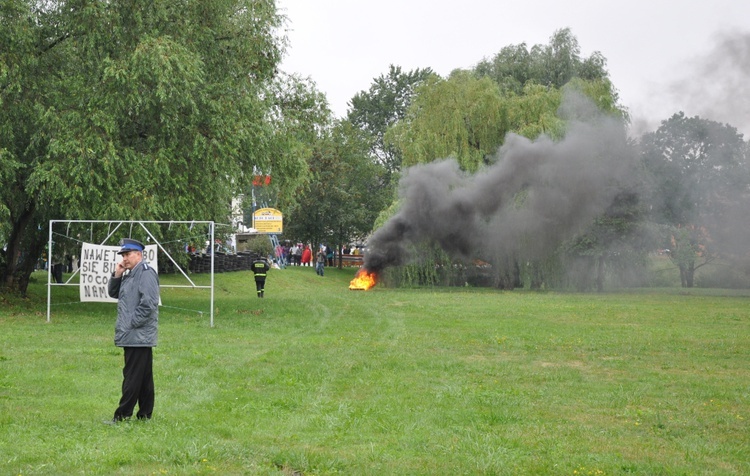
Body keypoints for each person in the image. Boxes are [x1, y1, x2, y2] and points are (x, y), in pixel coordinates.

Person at [106, 238, 160, 424]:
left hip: (137, 335)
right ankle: (145, 415)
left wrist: (131, 323)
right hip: (135, 335)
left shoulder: (145, 273)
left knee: (131, 377)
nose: (125, 258)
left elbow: (149, 304)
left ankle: (122, 416)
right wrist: (117, 274)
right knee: (144, 378)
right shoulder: (129, 274)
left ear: (139, 254)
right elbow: (114, 293)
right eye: (123, 255)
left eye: (128, 254)